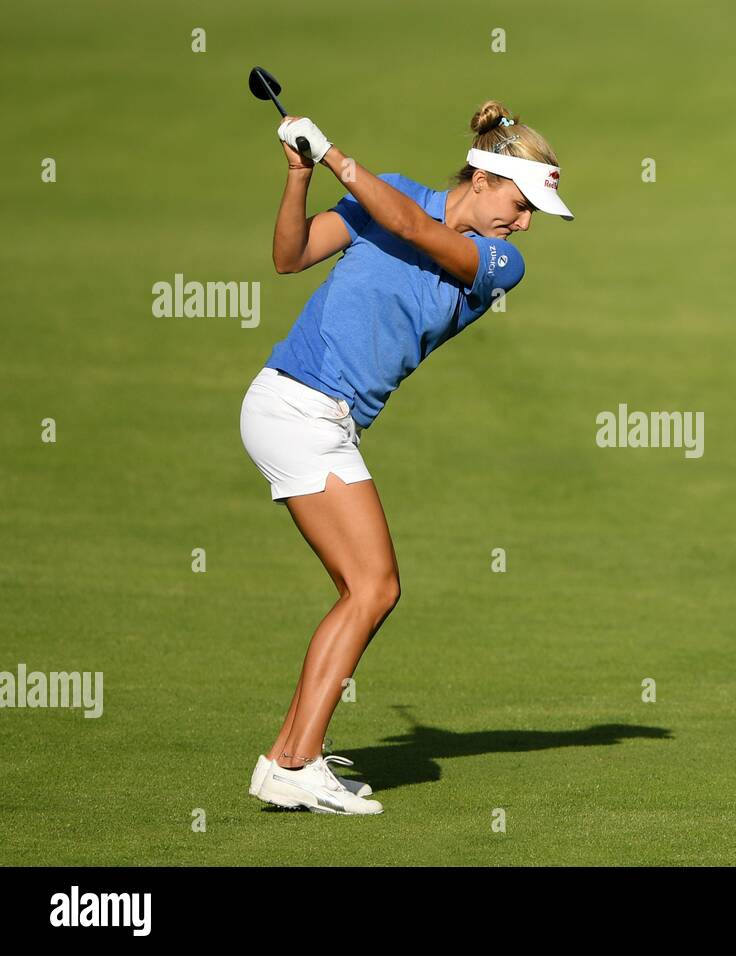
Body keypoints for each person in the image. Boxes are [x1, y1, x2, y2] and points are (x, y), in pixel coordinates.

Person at [239, 102, 574, 814]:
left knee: (360, 592)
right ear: (483, 178)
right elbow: (288, 257)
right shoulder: (381, 195)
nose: (524, 223)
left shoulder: (500, 263)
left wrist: (337, 159)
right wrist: (303, 174)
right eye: (519, 204)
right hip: (298, 407)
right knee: (375, 589)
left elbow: (415, 229)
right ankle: (295, 762)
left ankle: (284, 758)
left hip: (315, 417)